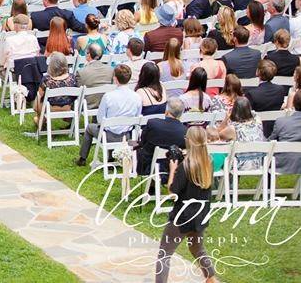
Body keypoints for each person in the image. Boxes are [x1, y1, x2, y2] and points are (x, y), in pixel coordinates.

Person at [153, 126, 218, 283]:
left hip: (182, 217)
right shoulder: (208, 162)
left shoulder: (185, 166)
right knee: (197, 248)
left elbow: (173, 191)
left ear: (188, 142)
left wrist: (173, 168)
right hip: (201, 214)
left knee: (165, 253)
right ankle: (211, 278)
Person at [76, 64, 141, 166]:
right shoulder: (137, 97)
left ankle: (82, 158)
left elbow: (100, 119)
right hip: (127, 135)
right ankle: (110, 157)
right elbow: (137, 118)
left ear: (115, 79)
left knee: (90, 127)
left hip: (109, 135)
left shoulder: (108, 96)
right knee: (106, 127)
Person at [0, 14, 40, 105]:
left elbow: (0, 61)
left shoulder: (10, 40)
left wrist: (0, 62)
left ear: (16, 26)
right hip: (31, 74)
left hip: (13, 75)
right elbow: (37, 54)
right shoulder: (33, 39)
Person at [217, 97, 266, 171]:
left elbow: (216, 135)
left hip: (239, 165)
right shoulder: (258, 122)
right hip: (258, 163)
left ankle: (228, 182)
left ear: (234, 110)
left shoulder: (233, 128)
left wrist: (226, 119)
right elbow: (254, 114)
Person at [247, 60, 289, 135]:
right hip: (275, 128)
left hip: (258, 130)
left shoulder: (252, 94)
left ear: (258, 72)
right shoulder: (280, 90)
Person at [33, 52, 78, 122]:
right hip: (68, 108)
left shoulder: (47, 80)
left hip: (50, 109)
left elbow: (39, 97)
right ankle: (70, 121)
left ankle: (41, 120)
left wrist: (36, 108)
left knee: (38, 97)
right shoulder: (72, 78)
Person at [269, 91, 301, 175]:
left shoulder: (281, 122)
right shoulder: (281, 121)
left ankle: (268, 187)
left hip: (282, 164)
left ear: (293, 103)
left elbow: (270, 142)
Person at [77, 43, 115, 108]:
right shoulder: (111, 70)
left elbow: (78, 92)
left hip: (88, 105)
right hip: (106, 103)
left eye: (86, 52)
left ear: (88, 55)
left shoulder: (81, 72)